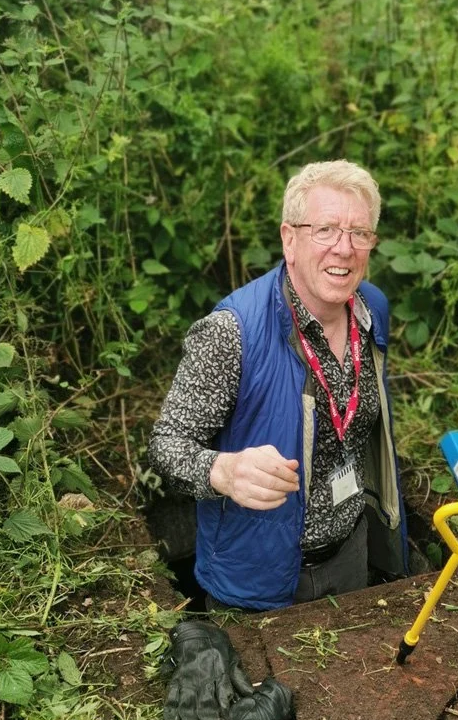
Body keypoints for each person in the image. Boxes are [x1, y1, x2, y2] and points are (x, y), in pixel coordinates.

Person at [149, 160, 411, 611]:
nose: (344, 249)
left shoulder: (372, 311)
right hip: (257, 577)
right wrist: (223, 471)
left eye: (360, 233)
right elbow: (166, 445)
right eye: (325, 230)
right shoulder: (232, 333)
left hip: (351, 553)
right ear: (290, 239)